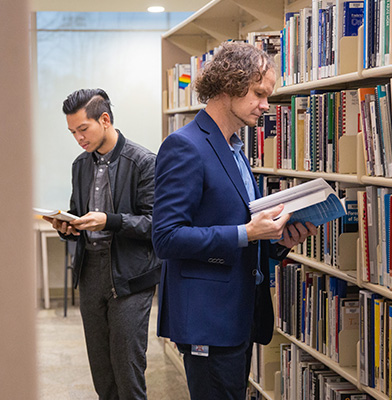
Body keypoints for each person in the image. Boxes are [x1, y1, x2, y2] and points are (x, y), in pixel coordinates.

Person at [152, 41, 317, 400]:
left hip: (239, 315)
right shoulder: (185, 146)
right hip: (208, 320)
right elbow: (165, 237)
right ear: (229, 84)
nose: (266, 105)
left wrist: (277, 242)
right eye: (259, 93)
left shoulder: (236, 149)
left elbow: (236, 228)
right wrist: (246, 232)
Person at [43, 88, 161, 400]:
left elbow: (155, 224)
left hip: (129, 275)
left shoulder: (143, 162)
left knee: (127, 370)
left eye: (83, 129)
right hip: (90, 271)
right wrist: (67, 227)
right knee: (102, 373)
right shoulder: (80, 165)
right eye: (73, 132)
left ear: (105, 119)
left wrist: (109, 220)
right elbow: (81, 216)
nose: (79, 138)